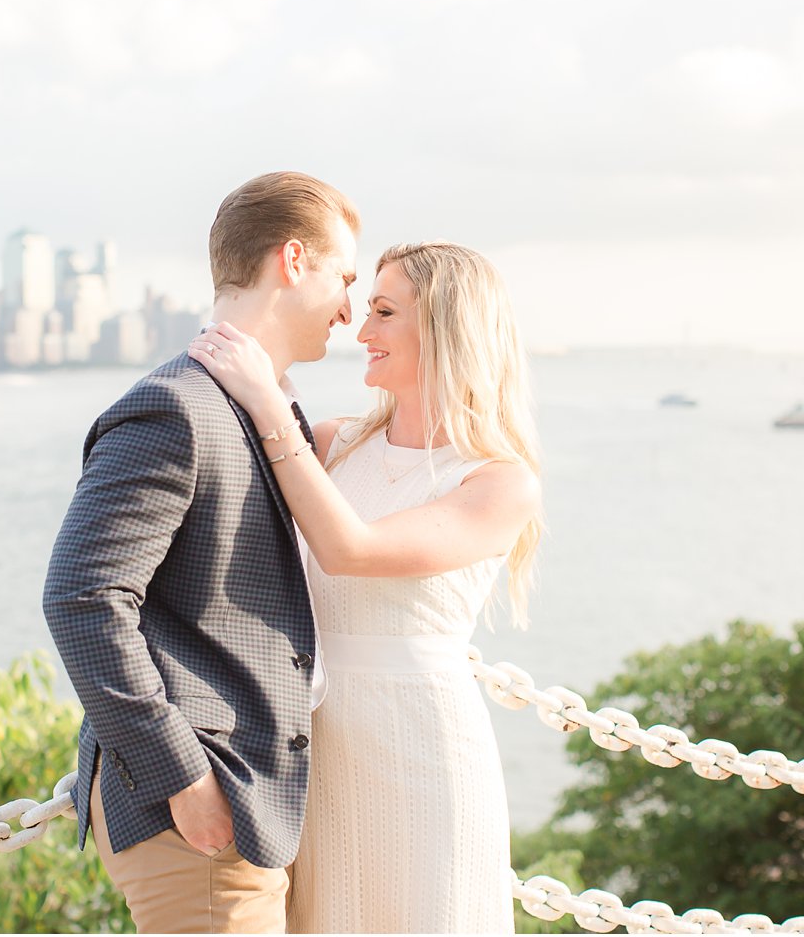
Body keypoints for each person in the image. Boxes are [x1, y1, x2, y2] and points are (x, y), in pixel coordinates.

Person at [189, 240, 543, 934]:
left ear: (445, 327)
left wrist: (266, 399)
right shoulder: (329, 444)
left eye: (383, 312)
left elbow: (351, 549)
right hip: (311, 745)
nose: (362, 332)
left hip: (424, 749)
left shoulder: (499, 481)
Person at [42, 171, 360, 933]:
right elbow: (81, 599)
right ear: (293, 261)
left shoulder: (261, 402)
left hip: (252, 798)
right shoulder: (177, 408)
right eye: (343, 278)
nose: (349, 309)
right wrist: (182, 775)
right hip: (202, 812)